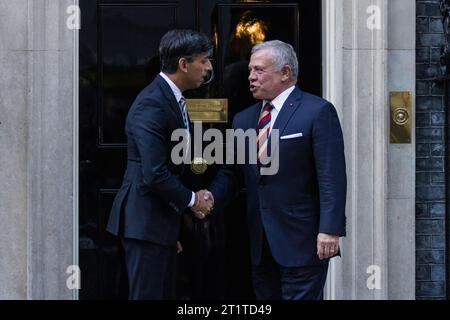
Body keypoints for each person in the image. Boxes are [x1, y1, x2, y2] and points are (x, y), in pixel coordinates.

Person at [208, 40, 347, 300]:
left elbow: (331, 176)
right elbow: (232, 173)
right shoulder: (244, 119)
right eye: (250, 70)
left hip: (303, 242)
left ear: (285, 73)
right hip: (261, 244)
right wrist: (209, 197)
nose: (251, 77)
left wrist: (330, 229)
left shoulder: (317, 111)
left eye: (259, 70)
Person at [106, 29, 214, 300]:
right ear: (183, 64)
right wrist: (193, 200)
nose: (209, 67)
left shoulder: (172, 98)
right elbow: (155, 173)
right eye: (204, 60)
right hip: (144, 225)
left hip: (158, 225)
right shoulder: (152, 104)